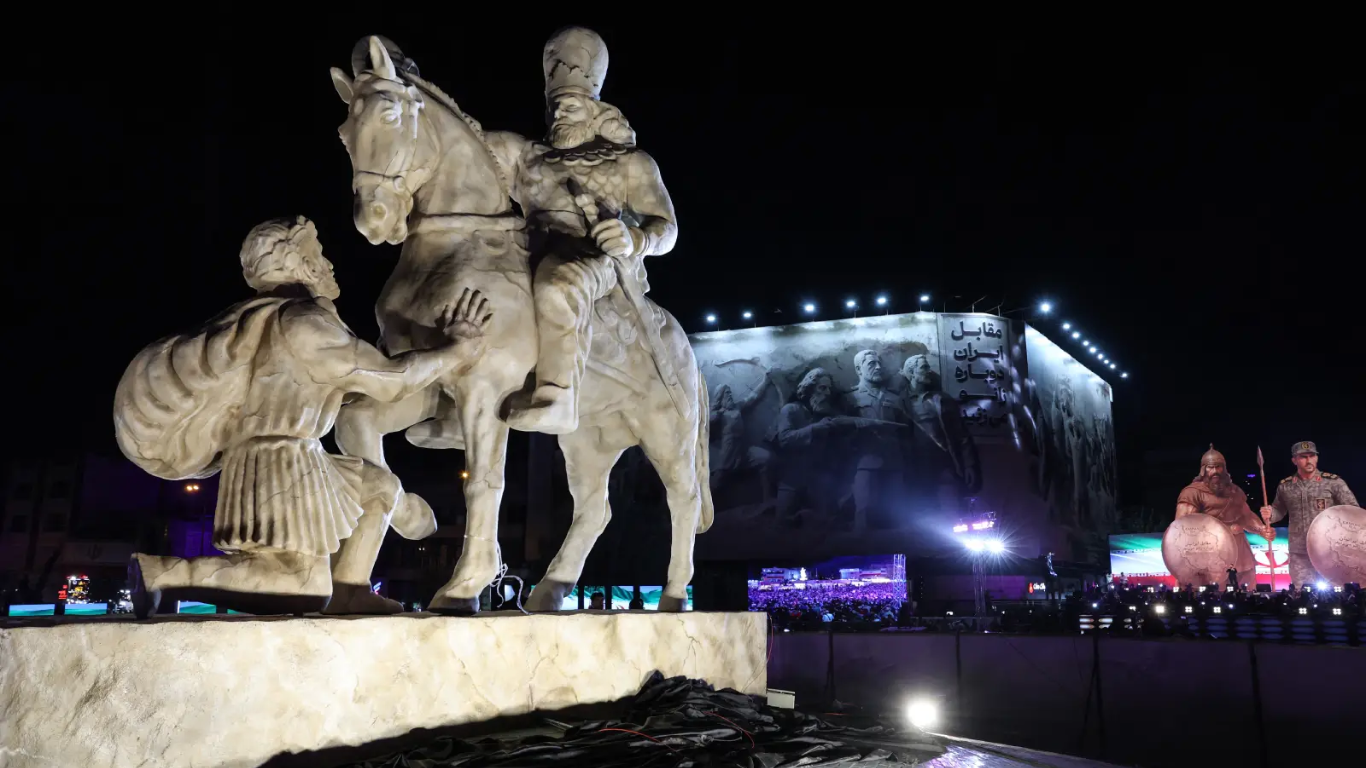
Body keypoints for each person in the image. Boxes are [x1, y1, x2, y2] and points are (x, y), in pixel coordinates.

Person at [114, 217, 491, 615]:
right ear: (300, 262)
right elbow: (389, 380)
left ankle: (350, 589)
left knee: (378, 487)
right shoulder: (302, 321)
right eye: (318, 253)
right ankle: (163, 573)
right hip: (281, 461)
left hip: (298, 454)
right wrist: (456, 351)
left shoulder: (257, 317)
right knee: (299, 584)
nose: (327, 263)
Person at [487, 27, 680, 435]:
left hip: (592, 255)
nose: (558, 116)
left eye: (570, 107)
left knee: (559, 285)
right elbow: (466, 141)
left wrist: (636, 239)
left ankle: (558, 398)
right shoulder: (527, 158)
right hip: (527, 246)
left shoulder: (631, 162)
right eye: (554, 108)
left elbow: (667, 228)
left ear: (595, 111)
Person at [1260, 441, 1358, 586]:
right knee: (1302, 594)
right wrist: (1269, 513)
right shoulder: (1286, 486)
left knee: (1336, 594)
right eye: (1303, 457)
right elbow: (1279, 511)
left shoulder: (1333, 482)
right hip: (1299, 551)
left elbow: (1353, 511)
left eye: (1312, 456)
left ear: (1317, 458)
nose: (1308, 460)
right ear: (1294, 460)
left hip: (1329, 550)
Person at [1174, 445, 1274, 585]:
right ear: (1203, 470)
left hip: (1238, 547)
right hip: (1209, 548)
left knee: (1246, 584)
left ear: (1224, 468)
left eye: (1219, 467)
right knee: (1210, 592)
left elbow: (1246, 516)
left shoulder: (1234, 491)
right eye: (1210, 467)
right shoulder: (1192, 493)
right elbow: (1182, 527)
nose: (1215, 471)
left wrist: (1261, 529)